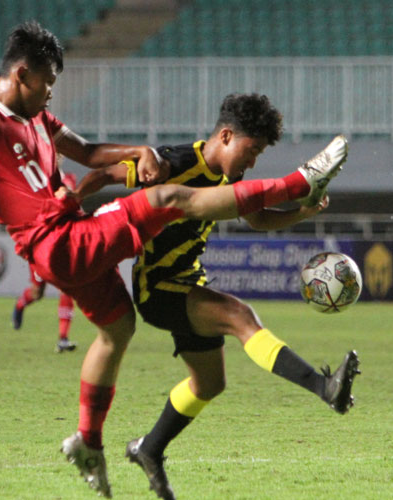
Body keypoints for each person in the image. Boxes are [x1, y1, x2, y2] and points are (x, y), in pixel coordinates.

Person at [0, 22, 349, 498]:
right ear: (21, 75)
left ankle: (90, 443)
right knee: (171, 203)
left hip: (70, 240)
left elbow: (89, 153)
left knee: (119, 329)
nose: (51, 92)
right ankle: (302, 178)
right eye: (47, 82)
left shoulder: (38, 119)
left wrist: (133, 151)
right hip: (57, 242)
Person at [74, 93, 360, 500]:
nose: (253, 161)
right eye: (252, 149)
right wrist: (76, 199)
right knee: (239, 316)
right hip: (158, 287)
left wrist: (302, 213)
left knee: (209, 383)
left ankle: (149, 449)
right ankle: (323, 387)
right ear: (226, 135)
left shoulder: (227, 174)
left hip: (188, 281)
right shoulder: (175, 163)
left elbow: (255, 216)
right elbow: (106, 174)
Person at [12, 170, 78, 354]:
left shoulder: (68, 179)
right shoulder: (33, 180)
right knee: (37, 292)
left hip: (63, 242)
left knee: (67, 287)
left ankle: (63, 338)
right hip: (40, 244)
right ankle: (20, 305)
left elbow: (71, 197)